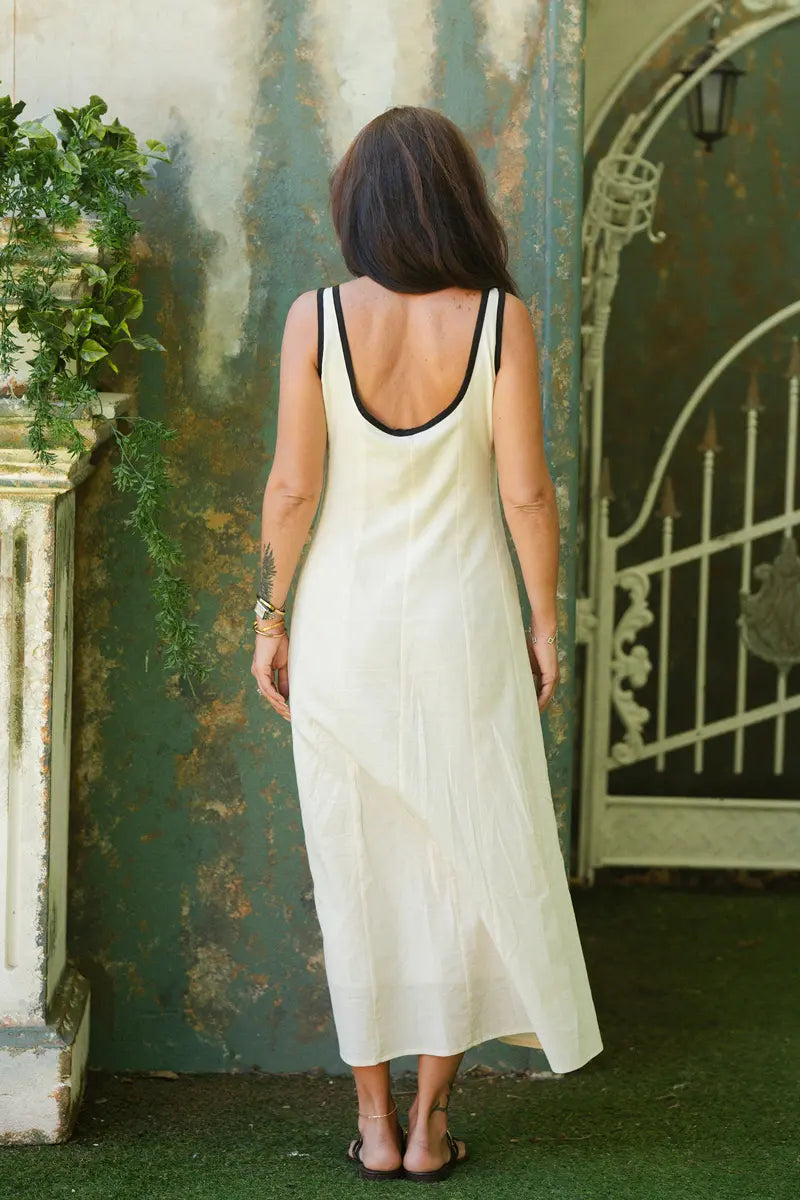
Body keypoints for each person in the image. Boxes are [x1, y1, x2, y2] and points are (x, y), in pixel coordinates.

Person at [250, 105, 603, 1184]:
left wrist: (268, 615)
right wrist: (546, 620)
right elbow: (527, 495)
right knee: (464, 865)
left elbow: (294, 486)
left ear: (358, 204)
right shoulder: (500, 319)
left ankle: (368, 1122)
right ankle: (429, 1126)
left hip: (346, 630)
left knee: (353, 872)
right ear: (455, 201)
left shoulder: (315, 317)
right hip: (463, 627)